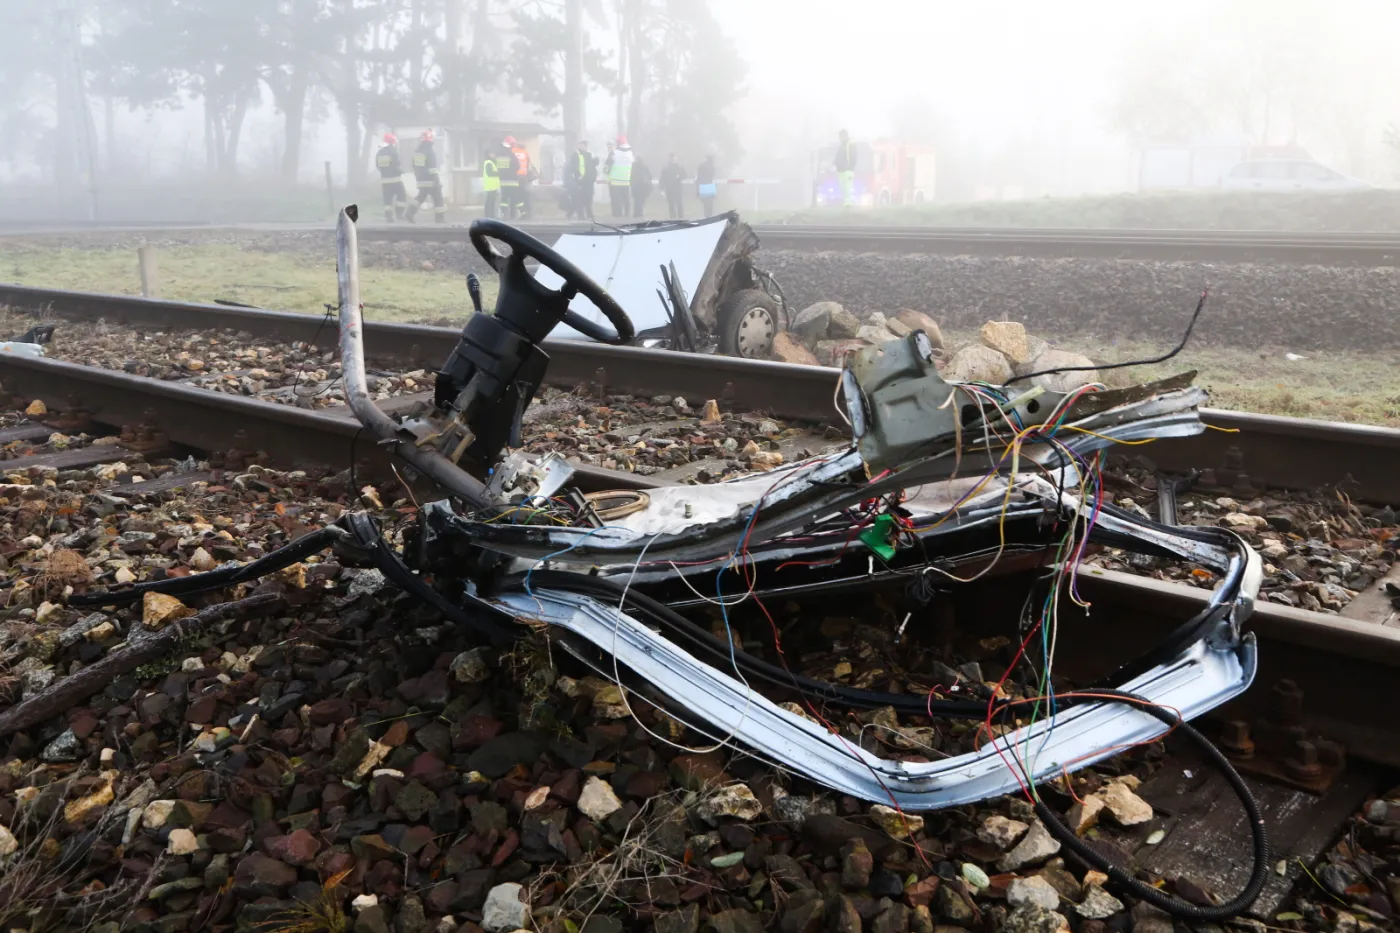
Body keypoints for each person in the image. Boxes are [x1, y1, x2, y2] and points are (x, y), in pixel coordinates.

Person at [407, 129, 445, 223]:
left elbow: (414, 166)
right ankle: (440, 218)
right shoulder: (429, 151)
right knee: (438, 198)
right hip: (430, 180)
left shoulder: (418, 152)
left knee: (421, 197)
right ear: (430, 139)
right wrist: (436, 180)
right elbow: (432, 167)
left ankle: (409, 213)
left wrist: (419, 177)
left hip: (421, 180)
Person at [375, 133, 408, 222]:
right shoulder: (393, 152)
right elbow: (396, 165)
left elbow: (378, 166)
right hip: (395, 180)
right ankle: (399, 214)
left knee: (387, 200)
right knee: (402, 196)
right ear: (391, 142)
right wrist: (402, 171)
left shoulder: (379, 153)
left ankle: (388, 217)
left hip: (385, 181)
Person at [501, 135, 532, 220]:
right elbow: (526, 164)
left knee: (507, 198)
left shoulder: (507, 153)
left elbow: (500, 168)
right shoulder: (524, 153)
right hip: (520, 178)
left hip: (507, 179)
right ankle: (526, 213)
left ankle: (510, 214)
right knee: (521, 196)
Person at [567, 139, 597, 221]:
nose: (585, 147)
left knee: (588, 199)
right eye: (583, 145)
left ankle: (589, 215)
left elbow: (592, 166)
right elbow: (573, 167)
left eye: (585, 145)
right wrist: (577, 176)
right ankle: (581, 215)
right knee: (579, 199)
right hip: (580, 181)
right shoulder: (575, 155)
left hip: (589, 181)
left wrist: (596, 161)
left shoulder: (588, 155)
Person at [607, 135, 633, 218]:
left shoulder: (613, 153)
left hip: (615, 182)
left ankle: (618, 217)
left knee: (616, 202)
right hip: (627, 181)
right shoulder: (630, 154)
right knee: (627, 201)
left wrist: (608, 177)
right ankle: (627, 216)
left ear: (618, 143)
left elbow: (606, 168)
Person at [834, 129, 857, 207]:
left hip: (847, 170)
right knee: (843, 187)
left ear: (845, 136)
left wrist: (850, 167)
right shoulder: (842, 145)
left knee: (848, 187)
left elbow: (853, 157)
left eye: (841, 136)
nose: (840, 138)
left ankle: (848, 203)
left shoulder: (850, 144)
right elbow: (839, 156)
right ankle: (845, 203)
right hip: (841, 170)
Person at [659, 153, 685, 219]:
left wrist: (679, 177)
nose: (674, 160)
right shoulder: (666, 168)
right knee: (671, 204)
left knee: (679, 204)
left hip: (677, 188)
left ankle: (681, 217)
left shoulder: (680, 167)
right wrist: (661, 188)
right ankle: (673, 218)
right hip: (669, 189)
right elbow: (662, 178)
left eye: (675, 158)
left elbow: (684, 175)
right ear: (670, 159)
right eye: (672, 159)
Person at [481, 147, 501, 219]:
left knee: (491, 202)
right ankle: (489, 216)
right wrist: (499, 173)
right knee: (490, 203)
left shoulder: (491, 162)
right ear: (489, 154)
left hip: (492, 186)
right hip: (490, 186)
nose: (494, 155)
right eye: (492, 153)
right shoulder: (489, 163)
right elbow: (490, 173)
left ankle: (490, 216)